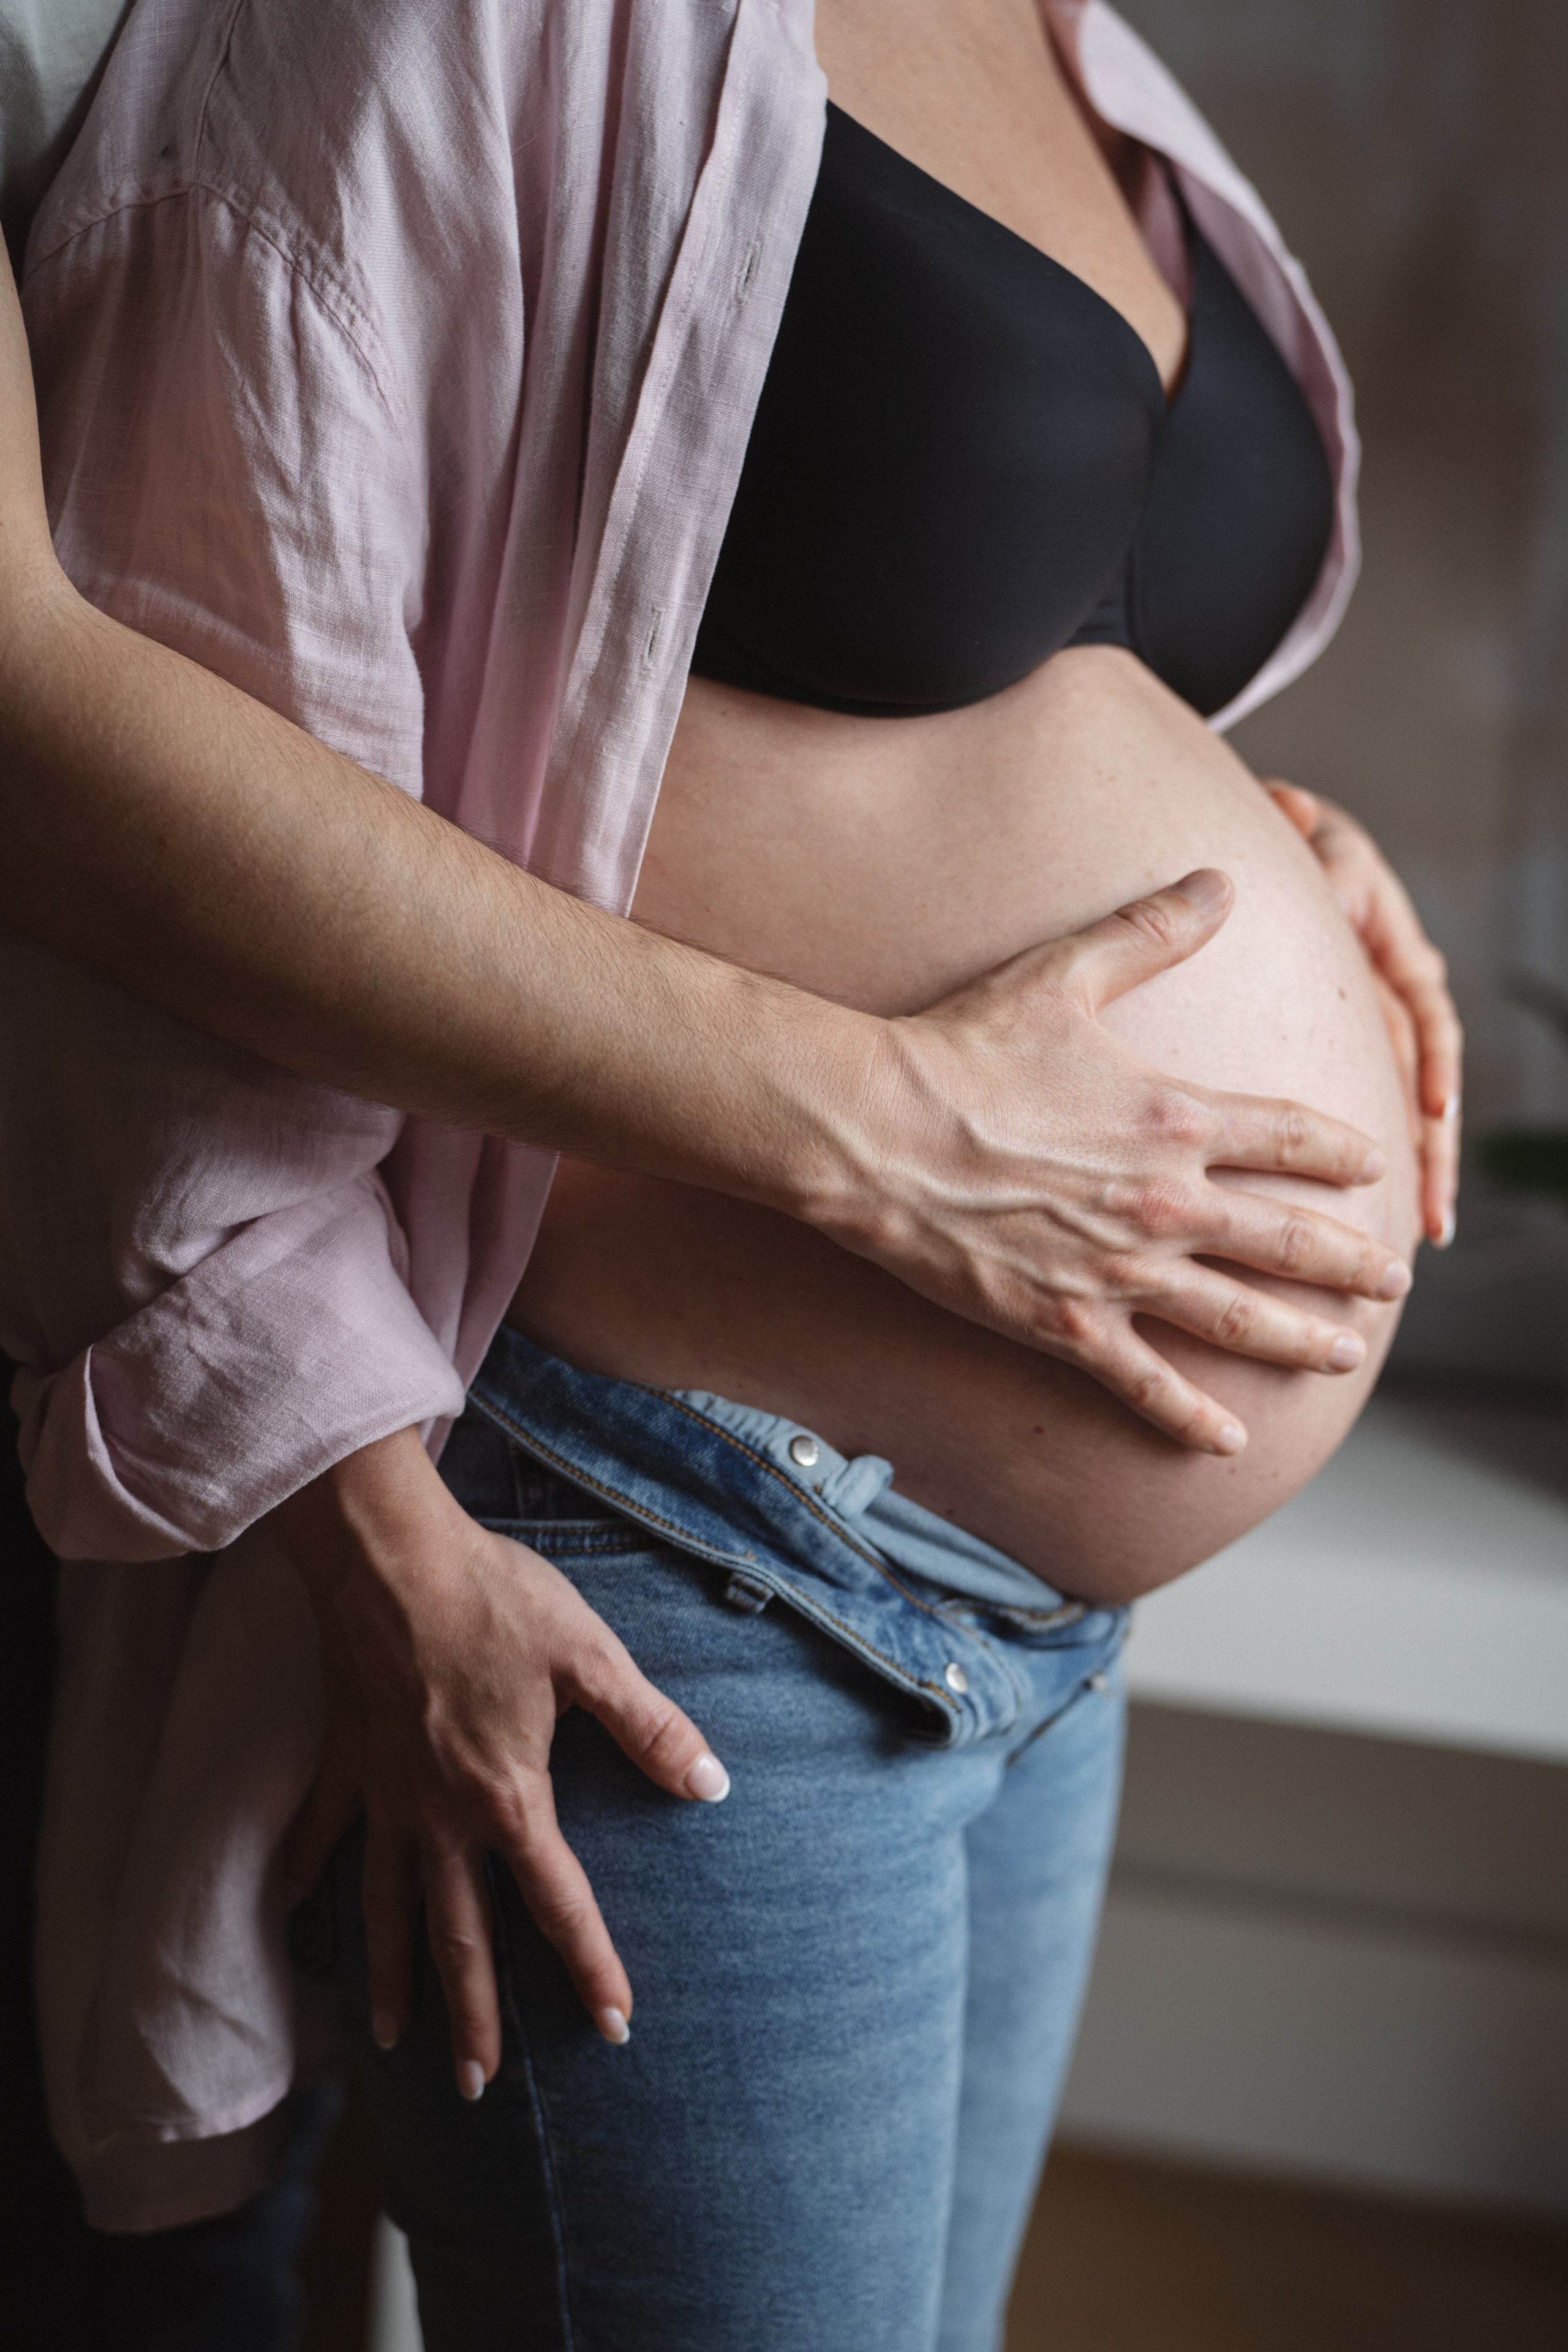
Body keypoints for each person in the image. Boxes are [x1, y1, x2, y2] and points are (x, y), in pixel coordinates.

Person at [1, 1, 1461, 2345]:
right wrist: (347, 1492)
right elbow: (148, 726)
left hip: (1043, 1616)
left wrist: (1255, 833)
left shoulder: (1057, 33)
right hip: (664, 1562)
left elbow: (924, 660)